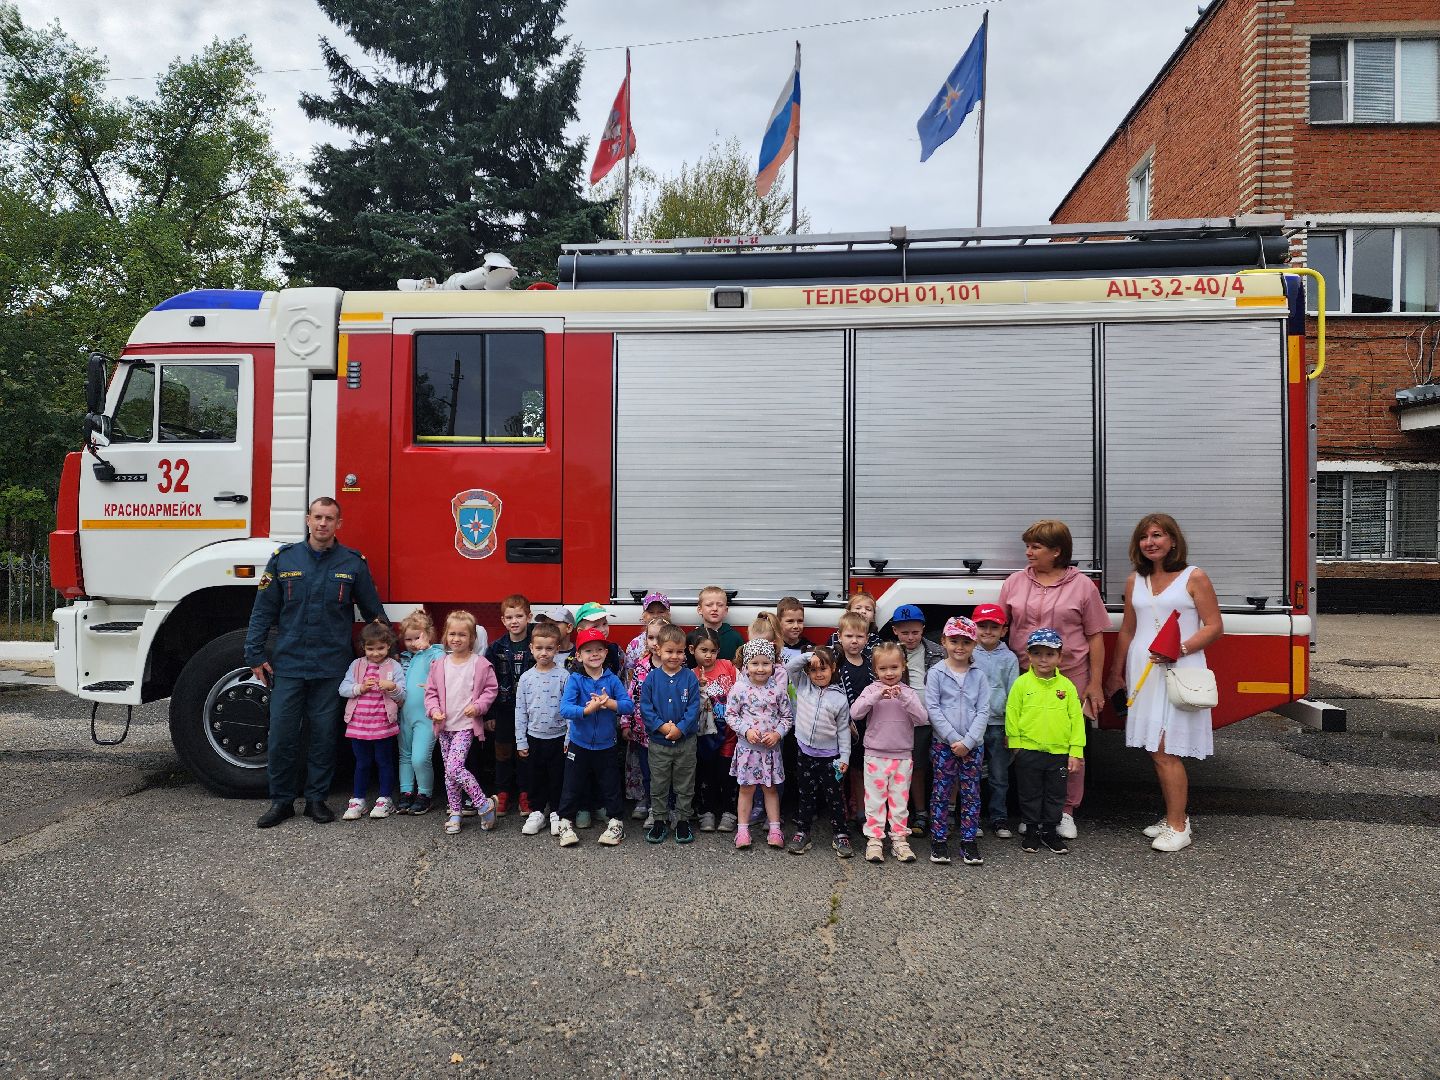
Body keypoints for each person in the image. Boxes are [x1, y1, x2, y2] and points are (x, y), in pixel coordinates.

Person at [246, 497, 386, 828]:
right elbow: (263, 610)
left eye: (330, 518)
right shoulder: (283, 560)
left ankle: (316, 800)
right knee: (282, 735)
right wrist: (254, 653)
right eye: (318, 517)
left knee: (323, 737)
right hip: (289, 664)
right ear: (308, 519)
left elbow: (374, 613)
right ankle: (281, 801)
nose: (323, 523)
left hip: (331, 666)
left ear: (339, 524)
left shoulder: (352, 563)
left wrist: (389, 656)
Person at [1106, 513, 1223, 853]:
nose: (1150, 542)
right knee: (1155, 749)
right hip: (1143, 671)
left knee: (1165, 749)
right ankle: (1174, 815)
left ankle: (1178, 826)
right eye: (1144, 537)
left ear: (1173, 541)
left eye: (1157, 535)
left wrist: (1180, 649)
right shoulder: (1135, 580)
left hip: (1178, 668)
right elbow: (1128, 630)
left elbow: (1214, 626)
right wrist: (1115, 673)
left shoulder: (1194, 576)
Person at [998, 519, 1108, 841]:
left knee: (1067, 743)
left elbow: (1095, 636)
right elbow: (1000, 628)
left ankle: (1065, 811)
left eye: (1036, 547)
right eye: (1027, 546)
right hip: (1026, 676)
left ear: (1057, 551)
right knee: (1028, 744)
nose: (1028, 552)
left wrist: (1095, 683)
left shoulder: (1082, 586)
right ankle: (1032, 812)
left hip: (1070, 676)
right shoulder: (1015, 582)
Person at [1007, 628, 1085, 855]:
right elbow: (1012, 712)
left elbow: (1076, 719)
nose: (1043, 659)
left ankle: (1050, 831)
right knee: (1029, 793)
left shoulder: (1067, 687)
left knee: (1055, 794)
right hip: (1028, 750)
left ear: (1060, 657)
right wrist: (1015, 744)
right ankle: (1032, 831)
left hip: (1059, 752)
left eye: (1050, 654)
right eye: (1037, 653)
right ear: (1028, 656)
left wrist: (1075, 750)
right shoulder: (1022, 684)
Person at [850, 641, 928, 864]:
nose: (889, 673)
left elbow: (922, 718)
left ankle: (899, 839)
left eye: (894, 667)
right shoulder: (871, 690)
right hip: (875, 755)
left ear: (903, 666)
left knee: (899, 802)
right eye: (883, 668)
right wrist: (875, 697)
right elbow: (855, 712)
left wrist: (904, 698)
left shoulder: (909, 692)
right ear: (875, 670)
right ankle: (874, 840)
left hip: (902, 756)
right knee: (874, 801)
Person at [556, 627, 633, 848]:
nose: (595, 654)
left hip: (606, 744)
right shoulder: (575, 679)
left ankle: (616, 823)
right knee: (571, 785)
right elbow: (565, 709)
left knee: (610, 785)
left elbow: (628, 706)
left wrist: (610, 703)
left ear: (606, 653)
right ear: (579, 656)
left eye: (599, 649)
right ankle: (565, 823)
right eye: (588, 650)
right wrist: (586, 710)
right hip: (578, 744)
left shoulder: (612, 680)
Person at [424, 611, 499, 836]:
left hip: (466, 726)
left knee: (454, 768)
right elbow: (431, 693)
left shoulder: (480, 664)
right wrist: (434, 710)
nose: (456, 639)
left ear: (472, 638)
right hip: (444, 727)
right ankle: (455, 812)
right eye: (452, 634)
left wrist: (478, 707)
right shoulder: (439, 664)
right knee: (449, 774)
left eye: (462, 635)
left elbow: (490, 690)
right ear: (445, 636)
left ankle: (483, 804)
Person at [925, 617, 988, 867]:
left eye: (966, 642)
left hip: (973, 746)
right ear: (944, 642)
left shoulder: (979, 676)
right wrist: (953, 739)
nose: (959, 647)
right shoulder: (936, 673)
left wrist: (969, 741)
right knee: (941, 792)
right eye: (954, 641)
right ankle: (939, 839)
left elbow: (983, 710)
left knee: (971, 793)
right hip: (944, 745)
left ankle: (969, 840)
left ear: (974, 644)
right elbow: (933, 708)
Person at [783, 647, 852, 858]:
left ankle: (840, 834)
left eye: (823, 668)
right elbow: (789, 667)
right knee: (806, 796)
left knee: (834, 798)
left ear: (833, 668)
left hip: (830, 757)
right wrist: (809, 656)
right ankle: (803, 832)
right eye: (813, 670)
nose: (818, 674)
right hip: (805, 753)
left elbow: (843, 730)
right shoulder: (803, 684)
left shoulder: (840, 698)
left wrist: (845, 756)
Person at [726, 640, 793, 850]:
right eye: (755, 663)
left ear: (773, 664)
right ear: (746, 665)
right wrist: (746, 730)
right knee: (746, 790)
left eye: (765, 663)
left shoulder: (778, 689)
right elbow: (731, 715)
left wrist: (778, 734)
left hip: (771, 752)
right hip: (748, 750)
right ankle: (742, 830)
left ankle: (775, 829)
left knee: (770, 789)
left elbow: (787, 717)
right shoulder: (739, 688)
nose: (760, 668)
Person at [639, 624, 702, 844]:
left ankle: (683, 820)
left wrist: (680, 728)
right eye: (669, 651)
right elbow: (645, 708)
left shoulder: (690, 678)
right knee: (659, 783)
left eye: (679, 651)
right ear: (658, 649)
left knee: (685, 783)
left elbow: (694, 707)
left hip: (686, 742)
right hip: (659, 743)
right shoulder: (652, 678)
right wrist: (663, 727)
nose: (674, 656)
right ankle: (659, 820)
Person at [338, 619, 406, 820]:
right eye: (370, 649)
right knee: (362, 762)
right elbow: (343, 689)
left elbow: (403, 694)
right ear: (363, 647)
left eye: (380, 648)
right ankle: (358, 799)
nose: (376, 653)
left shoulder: (393, 666)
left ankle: (385, 798)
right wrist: (360, 688)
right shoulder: (357, 665)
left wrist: (392, 687)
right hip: (359, 724)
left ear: (389, 646)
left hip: (383, 723)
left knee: (384, 761)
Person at [889, 603, 943, 835]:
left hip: (933, 719)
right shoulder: (890, 653)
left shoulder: (938, 651)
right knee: (911, 767)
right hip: (904, 720)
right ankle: (914, 812)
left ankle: (936, 813)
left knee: (934, 767)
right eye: (904, 632)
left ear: (923, 629)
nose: (910, 637)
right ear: (895, 631)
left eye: (915, 632)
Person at [515, 621, 570, 836]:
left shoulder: (564, 676)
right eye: (539, 648)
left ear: (557, 649)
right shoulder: (526, 678)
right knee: (535, 777)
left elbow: (569, 710)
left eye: (549, 648)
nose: (544, 653)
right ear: (531, 648)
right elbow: (521, 710)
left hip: (559, 737)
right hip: (534, 737)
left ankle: (556, 812)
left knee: (557, 777)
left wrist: (569, 738)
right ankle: (537, 812)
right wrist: (521, 740)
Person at [970, 603, 1020, 839]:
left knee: (999, 776)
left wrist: (1012, 729)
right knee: (973, 775)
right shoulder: (968, 654)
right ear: (974, 628)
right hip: (974, 725)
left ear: (1004, 630)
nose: (988, 631)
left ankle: (999, 818)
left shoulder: (1009, 658)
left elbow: (1014, 695)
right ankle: (973, 818)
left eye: (994, 627)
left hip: (1000, 725)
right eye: (982, 626)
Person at [484, 594, 535, 818]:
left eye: (519, 616)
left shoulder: (536, 643)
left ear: (529, 617)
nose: (514, 621)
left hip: (531, 710)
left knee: (526, 752)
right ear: (503, 621)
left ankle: (525, 793)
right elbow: (489, 683)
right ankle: (502, 792)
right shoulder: (496, 648)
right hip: (504, 709)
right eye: (509, 617)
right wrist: (490, 714)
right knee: (502, 752)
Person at [689, 626, 738, 833]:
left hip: (729, 733)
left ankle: (729, 812)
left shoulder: (727, 666)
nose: (709, 655)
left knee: (728, 774)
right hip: (704, 735)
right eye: (704, 650)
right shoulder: (690, 675)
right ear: (692, 650)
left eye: (713, 651)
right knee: (706, 773)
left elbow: (741, 690)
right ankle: (706, 811)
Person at [397, 609, 445, 816]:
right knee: (405, 756)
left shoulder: (435, 654)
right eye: (408, 639)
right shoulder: (404, 658)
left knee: (420, 758)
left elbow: (443, 666)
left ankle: (425, 794)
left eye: (417, 637)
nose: (413, 643)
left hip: (426, 717)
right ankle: (406, 792)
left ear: (429, 635)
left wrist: (428, 649)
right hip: (404, 716)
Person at [620, 618, 663, 826]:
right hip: (643, 731)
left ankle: (664, 807)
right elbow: (631, 694)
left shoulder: (676, 666)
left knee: (664, 773)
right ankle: (651, 806)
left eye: (659, 638)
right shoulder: (641, 666)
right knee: (647, 772)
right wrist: (625, 722)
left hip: (666, 733)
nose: (655, 643)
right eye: (651, 637)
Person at [833, 611, 875, 825]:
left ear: (867, 638)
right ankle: (839, 811)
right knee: (839, 770)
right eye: (849, 636)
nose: (854, 641)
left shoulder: (871, 665)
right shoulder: (835, 664)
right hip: (840, 727)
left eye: (859, 636)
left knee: (859, 770)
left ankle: (860, 811)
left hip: (865, 727)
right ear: (839, 636)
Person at [623, 592, 671, 677]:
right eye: (651, 612)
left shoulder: (674, 639)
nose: (656, 615)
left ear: (668, 614)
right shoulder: (635, 644)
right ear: (644, 616)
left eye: (661, 612)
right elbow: (629, 672)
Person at [825, 591, 882, 661]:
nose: (863, 611)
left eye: (868, 609)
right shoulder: (835, 637)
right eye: (858, 608)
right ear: (848, 612)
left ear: (873, 617)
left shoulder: (876, 641)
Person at [696, 586, 745, 664]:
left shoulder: (735, 637)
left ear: (726, 610)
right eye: (709, 605)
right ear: (700, 610)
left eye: (720, 605)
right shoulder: (694, 637)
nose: (715, 609)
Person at [775, 597, 810, 663]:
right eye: (790, 621)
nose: (796, 626)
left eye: (800, 621)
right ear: (778, 621)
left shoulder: (809, 648)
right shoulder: (773, 646)